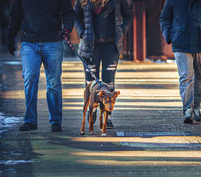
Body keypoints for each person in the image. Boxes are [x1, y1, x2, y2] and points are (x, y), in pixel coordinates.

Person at [7, 0, 74, 132]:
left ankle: (56, 121)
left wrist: (66, 28)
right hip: (30, 43)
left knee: (53, 82)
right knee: (30, 78)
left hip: (53, 42)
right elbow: (16, 15)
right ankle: (30, 120)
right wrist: (10, 37)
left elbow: (68, 13)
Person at [160, 0, 201, 124]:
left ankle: (196, 107)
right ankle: (188, 109)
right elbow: (165, 18)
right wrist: (169, 36)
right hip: (181, 42)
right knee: (186, 77)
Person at [74, 0, 133, 128]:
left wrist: (122, 30)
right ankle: (93, 110)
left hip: (111, 45)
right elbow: (75, 16)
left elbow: (128, 15)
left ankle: (107, 116)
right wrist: (81, 32)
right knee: (90, 81)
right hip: (90, 45)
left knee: (108, 81)